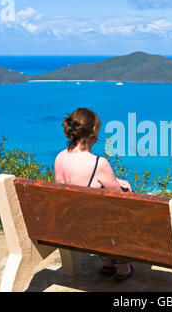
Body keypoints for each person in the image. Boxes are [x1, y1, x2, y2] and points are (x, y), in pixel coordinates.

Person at [54, 107, 134, 281]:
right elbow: (119, 197)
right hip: (93, 230)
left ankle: (107, 262)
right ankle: (122, 267)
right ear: (94, 131)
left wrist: (111, 180)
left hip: (68, 224)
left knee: (95, 211)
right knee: (123, 208)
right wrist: (123, 186)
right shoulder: (99, 163)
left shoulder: (59, 157)